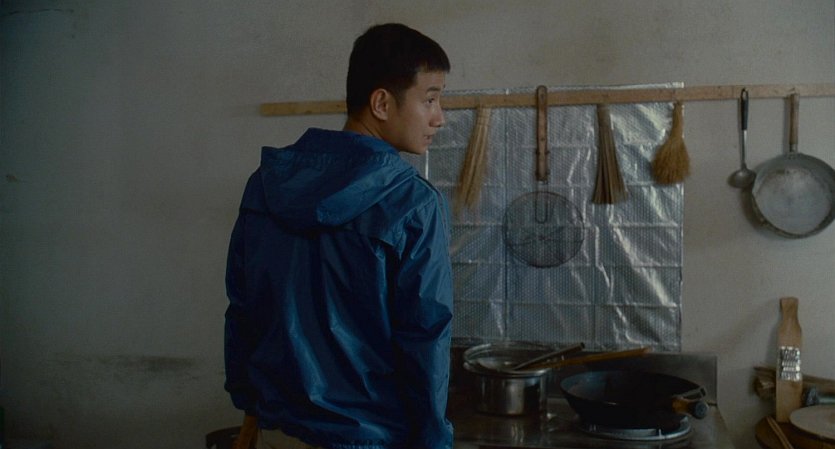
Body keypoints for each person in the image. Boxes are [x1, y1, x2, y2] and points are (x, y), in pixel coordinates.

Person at [224, 23, 454, 449]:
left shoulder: (265, 184)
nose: (439, 118)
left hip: (279, 432)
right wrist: (434, 440)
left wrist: (250, 405)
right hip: (371, 438)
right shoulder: (412, 203)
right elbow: (425, 339)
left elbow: (243, 309)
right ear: (382, 103)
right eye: (430, 99)